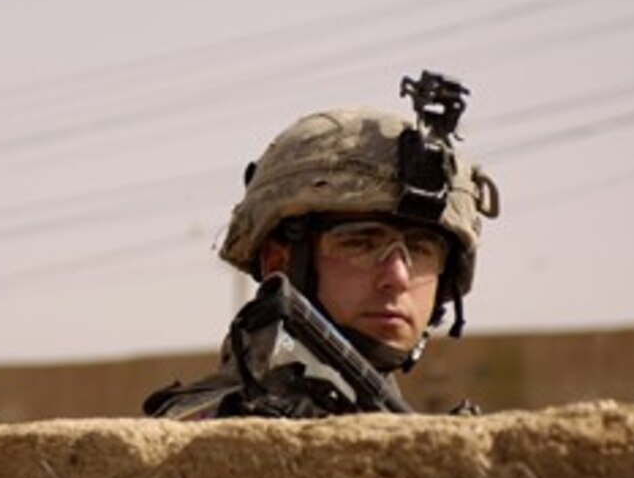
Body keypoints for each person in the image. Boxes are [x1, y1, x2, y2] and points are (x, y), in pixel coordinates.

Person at [143, 71, 500, 419]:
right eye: (361, 242)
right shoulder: (220, 426)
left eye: (421, 249)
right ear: (279, 263)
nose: (397, 277)